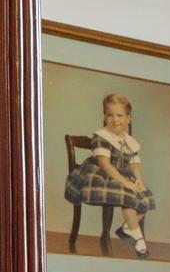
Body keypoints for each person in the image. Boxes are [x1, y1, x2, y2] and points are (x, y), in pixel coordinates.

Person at [63, 92, 157, 257]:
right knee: (128, 193)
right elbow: (105, 164)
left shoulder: (129, 141)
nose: (115, 119)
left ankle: (128, 228)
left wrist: (138, 180)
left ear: (128, 118)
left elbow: (134, 164)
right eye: (110, 115)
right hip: (101, 175)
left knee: (144, 196)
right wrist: (125, 182)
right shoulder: (102, 137)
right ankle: (139, 239)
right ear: (105, 116)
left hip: (122, 175)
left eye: (119, 115)